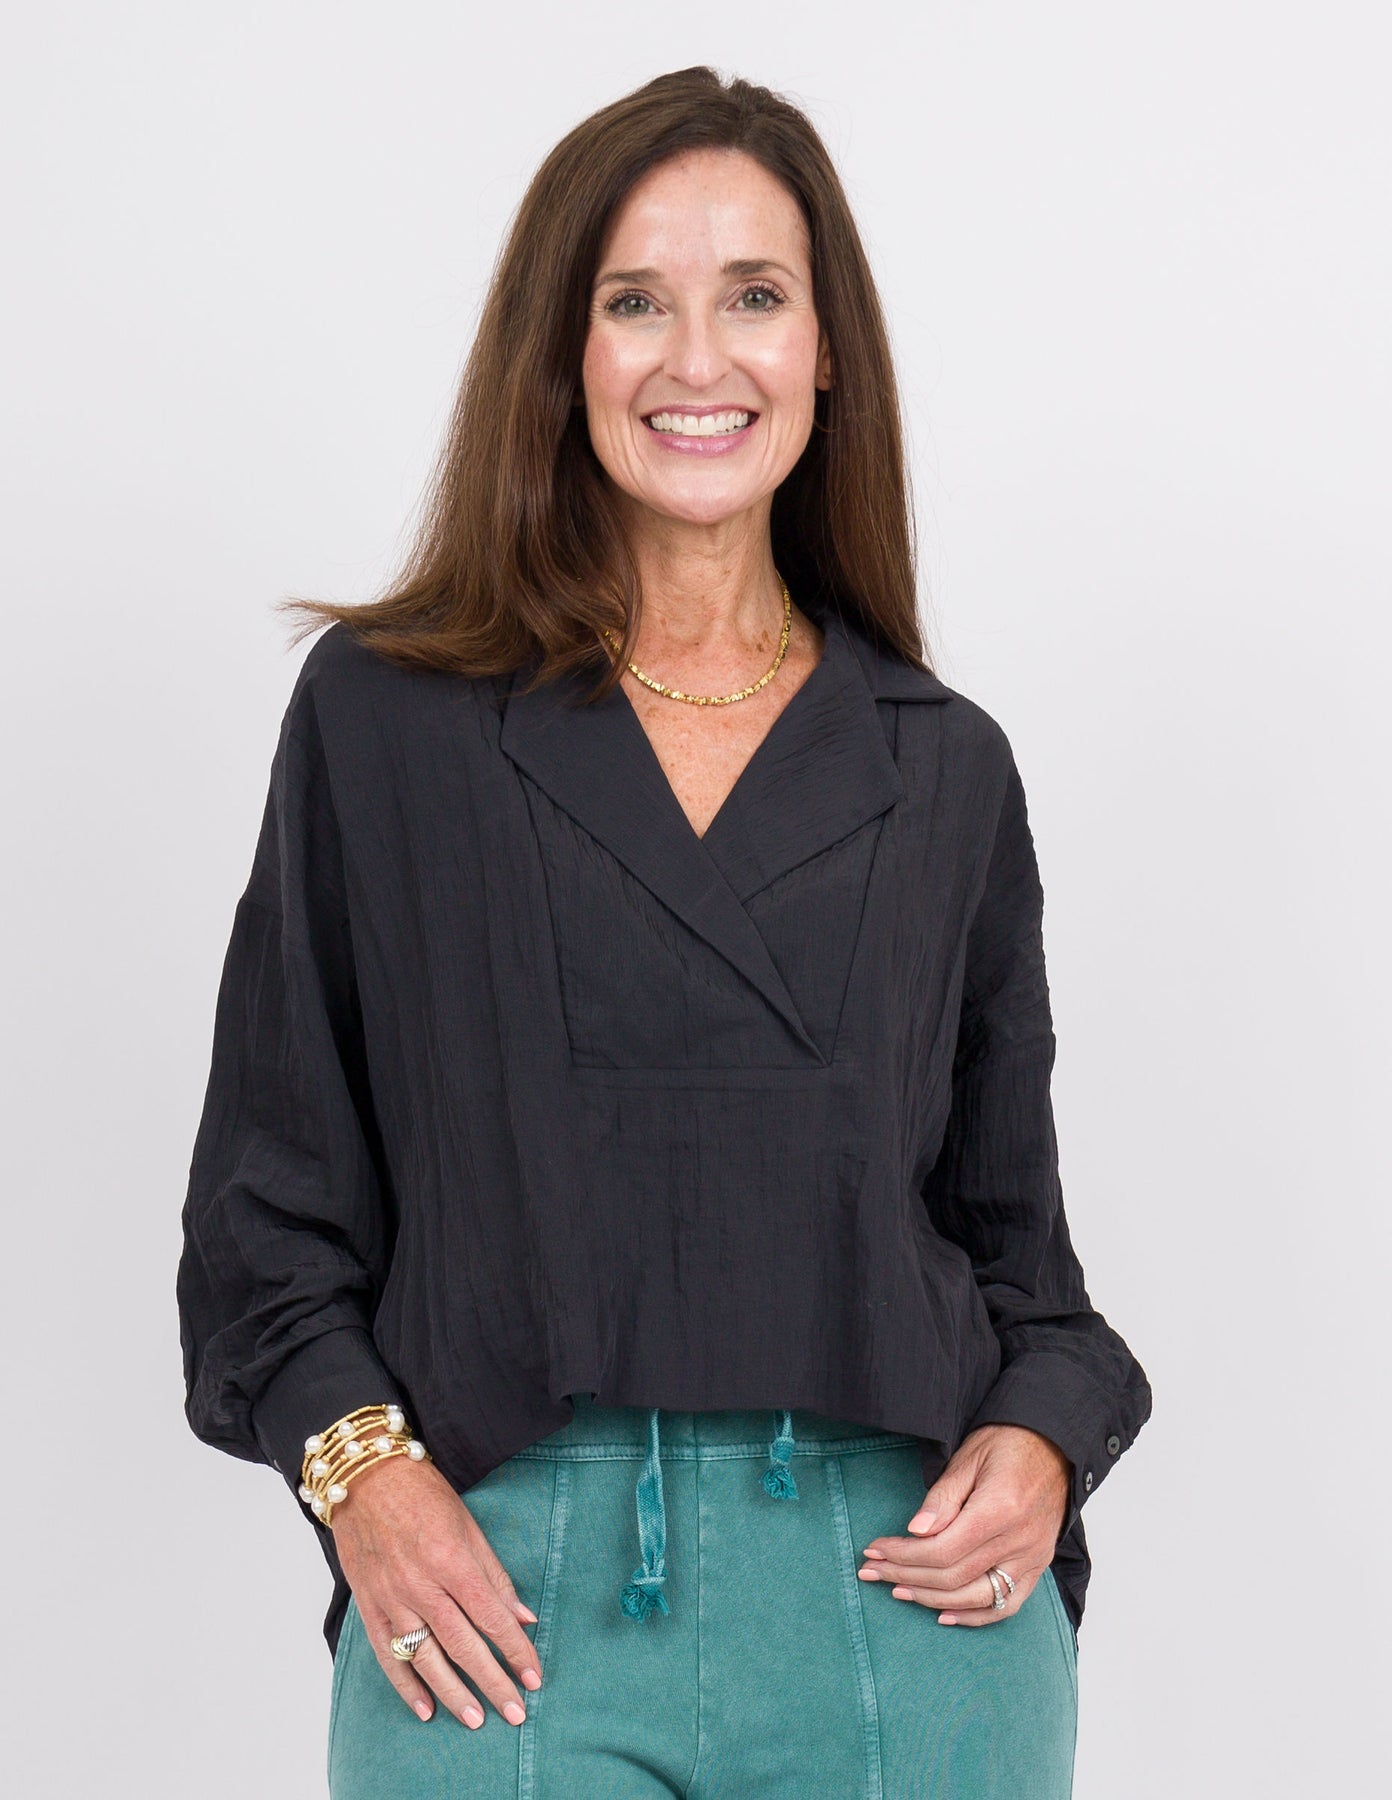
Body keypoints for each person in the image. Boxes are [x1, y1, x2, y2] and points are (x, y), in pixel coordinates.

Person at [177, 64, 1152, 1798]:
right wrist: (363, 1477)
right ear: (563, 354)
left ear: (827, 350)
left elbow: (1020, 1265)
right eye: (636, 302)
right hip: (495, 1609)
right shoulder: (389, 725)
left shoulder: (941, 769)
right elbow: (268, 1209)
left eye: (755, 296)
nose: (699, 359)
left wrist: (1041, 1437)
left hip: (905, 1605)